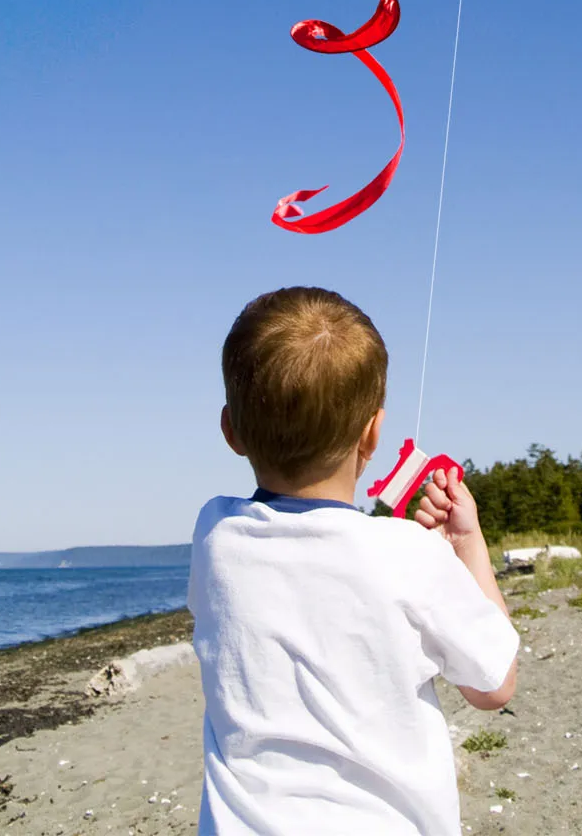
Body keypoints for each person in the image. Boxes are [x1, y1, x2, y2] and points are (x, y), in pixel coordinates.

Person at [188, 285, 519, 835]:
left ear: (231, 431)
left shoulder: (215, 534)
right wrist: (467, 546)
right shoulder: (408, 555)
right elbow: (493, 684)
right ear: (373, 432)